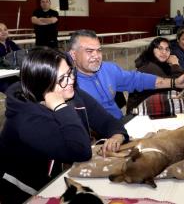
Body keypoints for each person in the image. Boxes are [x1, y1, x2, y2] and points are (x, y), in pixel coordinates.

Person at [0, 48, 129, 204]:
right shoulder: (25, 118)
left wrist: (117, 134)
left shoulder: (71, 92)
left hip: (62, 177)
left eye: (70, 72)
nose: (71, 80)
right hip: (29, 191)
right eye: (62, 78)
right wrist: (61, 108)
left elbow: (107, 121)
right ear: (42, 84)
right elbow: (80, 151)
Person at [68, 29, 184, 120]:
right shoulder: (66, 82)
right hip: (98, 134)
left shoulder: (108, 68)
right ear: (73, 54)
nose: (96, 55)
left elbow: (137, 79)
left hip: (120, 123)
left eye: (99, 50)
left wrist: (174, 82)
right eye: (89, 51)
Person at [126, 37, 184, 112]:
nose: (164, 52)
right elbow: (179, 84)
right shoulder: (148, 67)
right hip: (138, 113)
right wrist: (175, 64)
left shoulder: (162, 65)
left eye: (167, 49)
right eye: (160, 48)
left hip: (150, 107)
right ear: (152, 50)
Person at [0, 23, 21, 92]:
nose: (3, 32)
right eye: (0, 30)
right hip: (2, 77)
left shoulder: (10, 43)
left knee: (22, 84)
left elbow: (20, 54)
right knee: (8, 88)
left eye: (5, 29)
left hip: (11, 73)